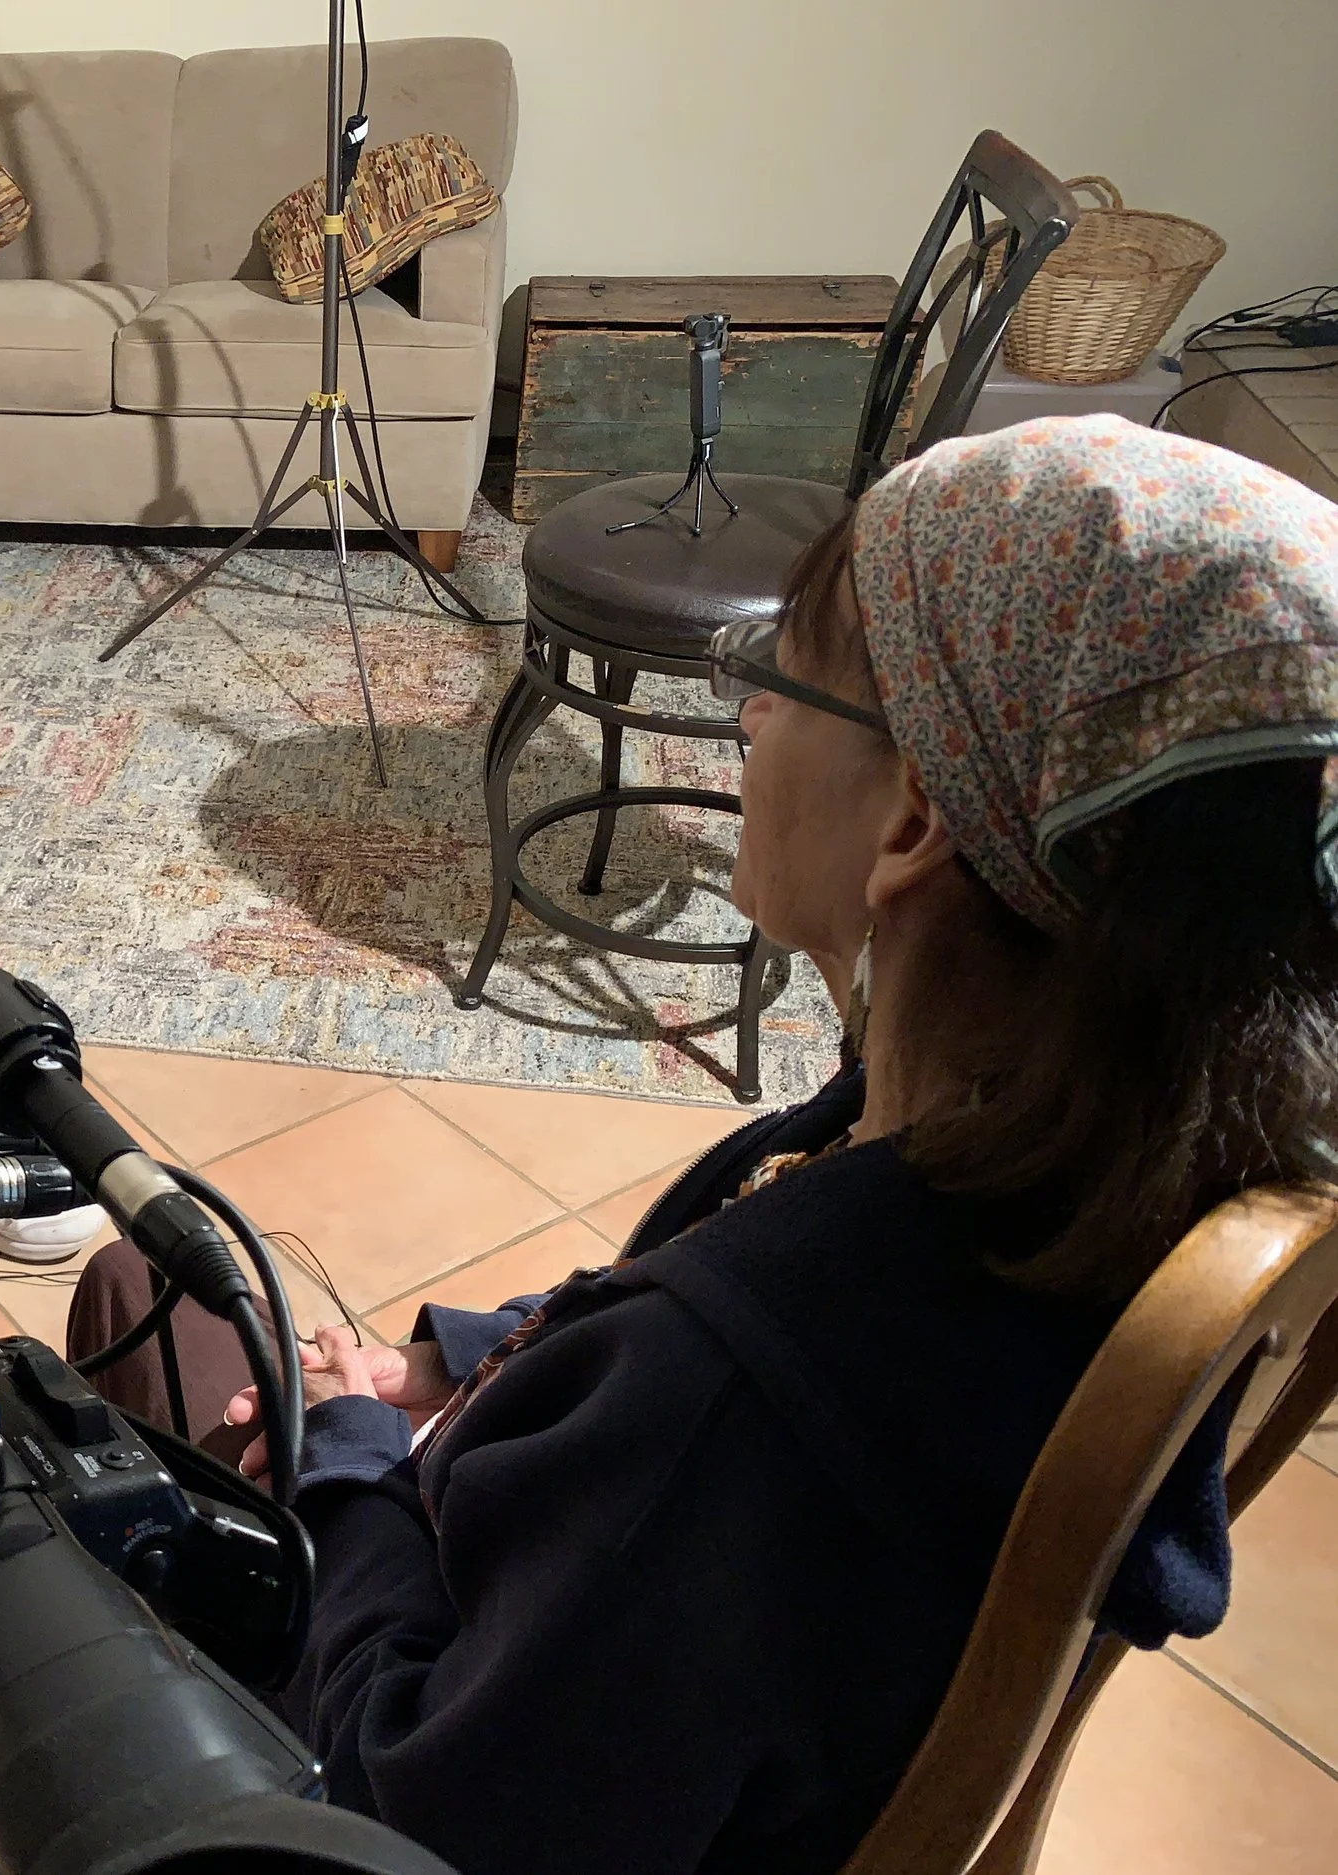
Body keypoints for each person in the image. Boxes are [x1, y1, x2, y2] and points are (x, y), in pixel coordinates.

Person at [67, 415, 1338, 1873]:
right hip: (647, 1697)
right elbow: (688, 1335)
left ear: (916, 816)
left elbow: (404, 1806)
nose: (747, 724)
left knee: (134, 1302)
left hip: (400, 1772)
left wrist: (353, 1467)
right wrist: (461, 1357)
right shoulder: (1105, 1144)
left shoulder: (734, 1398)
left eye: (777, 680)